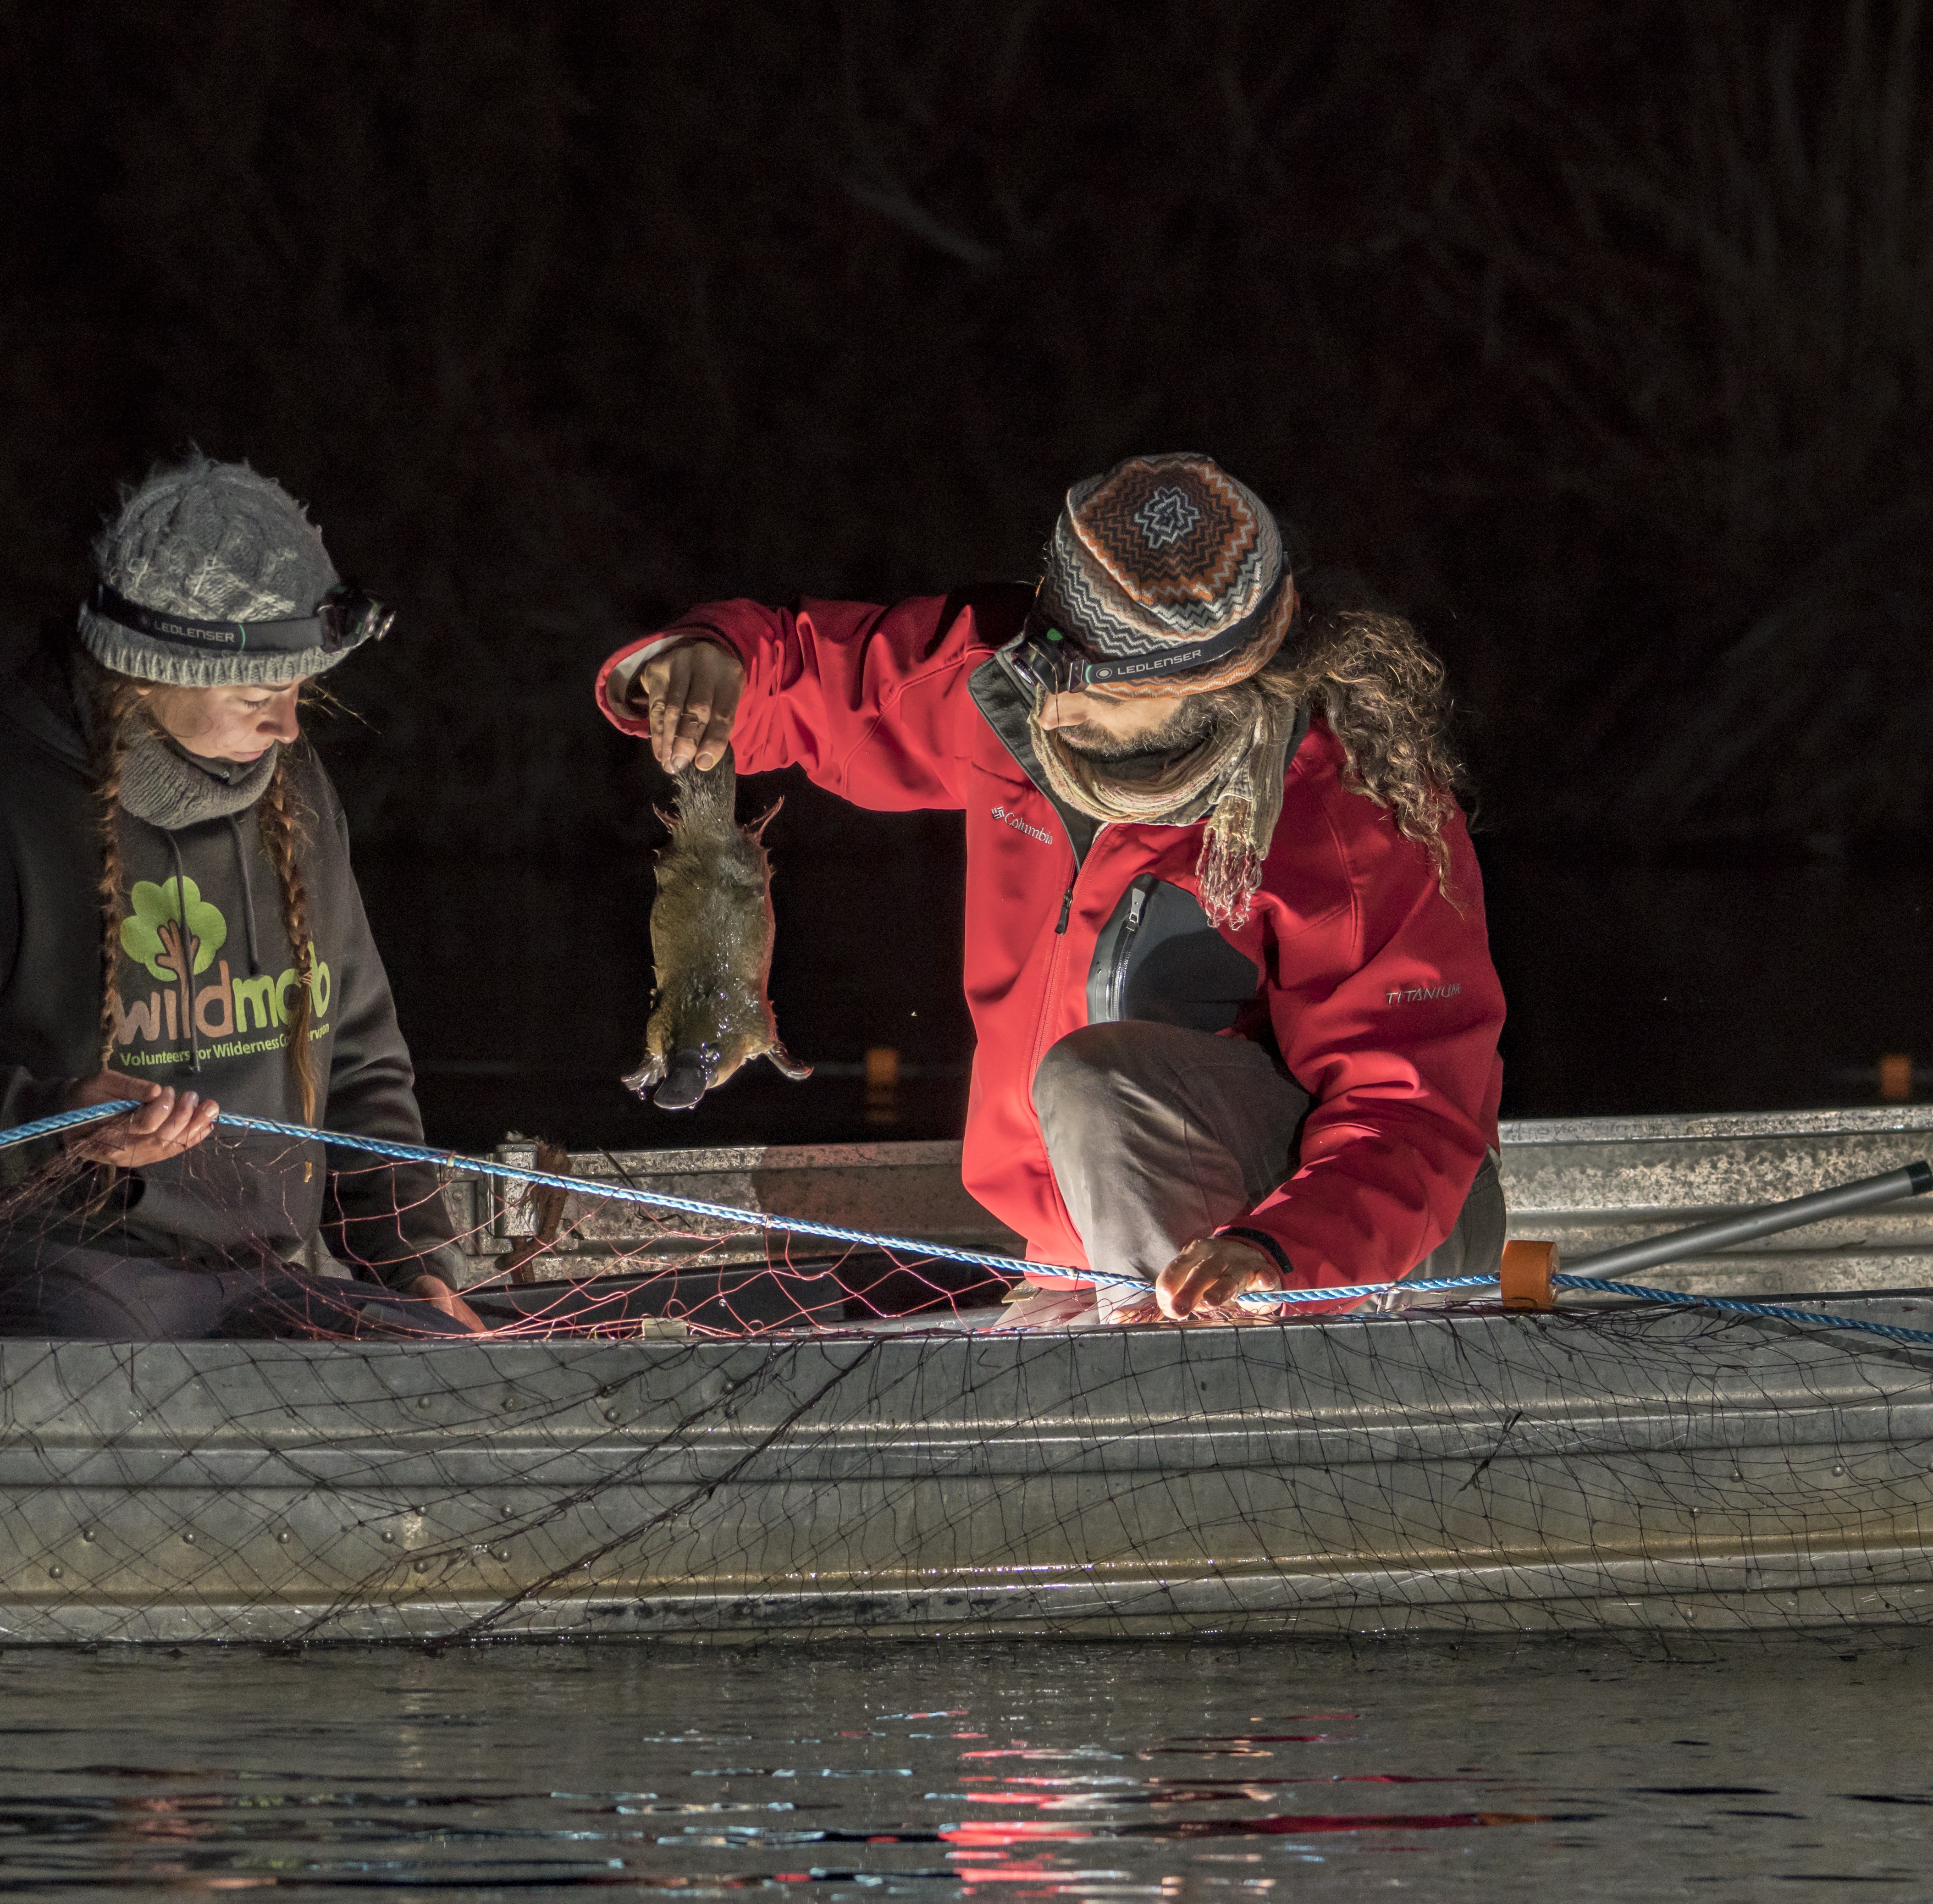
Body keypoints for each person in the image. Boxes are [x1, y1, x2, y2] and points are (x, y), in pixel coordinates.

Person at [599, 452, 1504, 1325]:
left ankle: (1191, 1362)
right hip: (1077, 1248)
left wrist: (1278, 1248)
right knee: (1091, 1103)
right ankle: (1103, 1294)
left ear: (1209, 687)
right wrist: (709, 661)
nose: (1048, 703)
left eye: (1091, 688)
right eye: (1043, 654)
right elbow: (833, 682)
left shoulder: (1354, 815)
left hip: (1342, 1240)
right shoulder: (1014, 689)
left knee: (1095, 1084)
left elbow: (1409, 1108)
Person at [0, 454, 480, 1338]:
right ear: (148, 673)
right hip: (23, 1259)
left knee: (432, 1359)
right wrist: (49, 1124)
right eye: (260, 694)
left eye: (301, 693)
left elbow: (362, 1064)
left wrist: (414, 1264)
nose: (289, 726)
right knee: (105, 1378)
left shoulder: (297, 797)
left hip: (247, 1276)